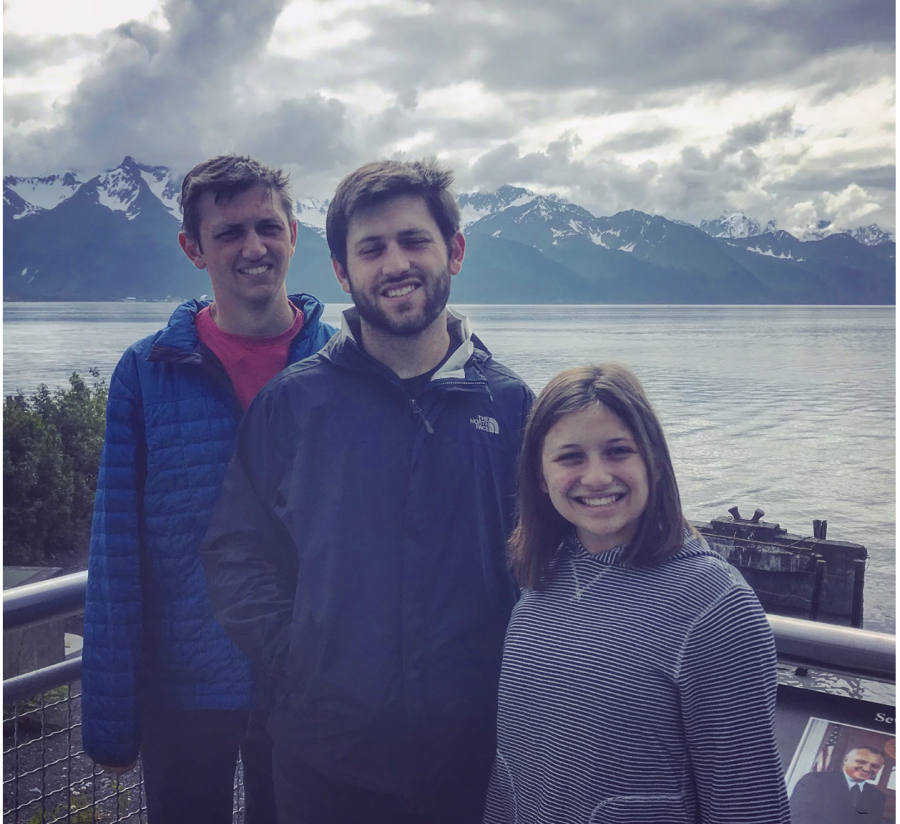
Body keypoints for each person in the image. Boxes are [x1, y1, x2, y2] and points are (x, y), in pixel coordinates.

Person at [200, 158, 534, 824]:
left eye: (414, 241)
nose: (395, 263)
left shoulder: (512, 406)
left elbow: (551, 566)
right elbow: (237, 557)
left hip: (477, 761)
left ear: (455, 252)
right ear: (343, 272)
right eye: (372, 248)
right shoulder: (293, 406)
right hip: (324, 764)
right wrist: (303, 660)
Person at [81, 154, 337, 823]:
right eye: (229, 233)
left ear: (293, 232)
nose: (254, 248)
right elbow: (116, 549)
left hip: (307, 681)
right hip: (185, 689)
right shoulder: (147, 372)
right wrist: (111, 720)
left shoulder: (344, 367)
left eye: (267, 227)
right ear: (192, 248)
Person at [483, 363, 791, 824]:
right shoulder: (541, 581)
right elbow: (512, 774)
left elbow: (748, 806)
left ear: (656, 462)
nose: (596, 476)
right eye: (570, 457)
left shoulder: (714, 608)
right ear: (540, 476)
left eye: (618, 451)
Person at [790, 746, 887, 824]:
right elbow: (798, 817)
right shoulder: (815, 781)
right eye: (861, 762)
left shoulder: (877, 796)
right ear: (846, 761)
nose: (867, 768)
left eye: (875, 766)